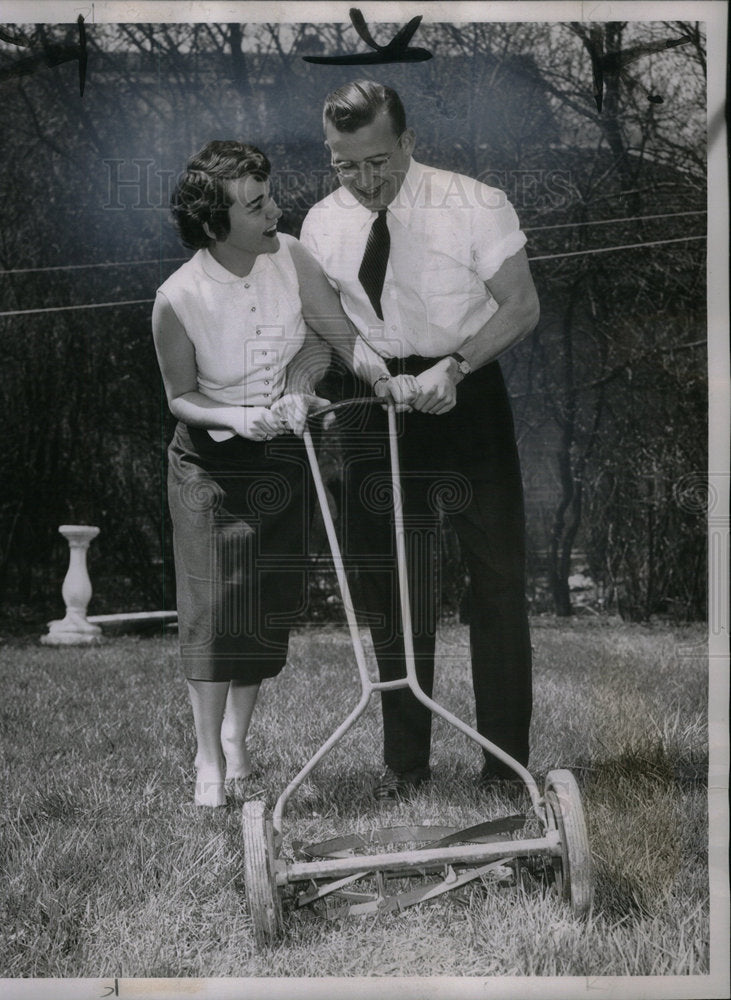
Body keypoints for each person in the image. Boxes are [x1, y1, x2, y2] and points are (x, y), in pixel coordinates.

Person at [300, 80, 540, 800]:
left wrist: (457, 366)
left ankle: (504, 767)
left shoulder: (474, 203)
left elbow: (521, 305)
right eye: (346, 165)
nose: (365, 181)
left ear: (407, 142)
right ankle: (405, 765)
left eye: (378, 161)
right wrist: (340, 370)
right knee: (389, 585)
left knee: (495, 582)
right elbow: (323, 320)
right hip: (373, 401)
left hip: (464, 390)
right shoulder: (320, 223)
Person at [152, 140, 358, 807]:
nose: (274, 209)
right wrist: (239, 417)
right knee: (215, 607)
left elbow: (318, 339)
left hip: (278, 454)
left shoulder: (293, 255)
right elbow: (179, 397)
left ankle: (239, 743)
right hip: (209, 462)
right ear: (216, 226)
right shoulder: (176, 298)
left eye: (269, 195)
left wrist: (300, 389)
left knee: (261, 606)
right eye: (255, 204)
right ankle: (207, 757)